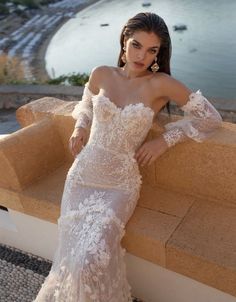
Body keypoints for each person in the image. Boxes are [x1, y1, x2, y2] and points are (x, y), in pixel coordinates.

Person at [33, 12, 223, 302]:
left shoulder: (160, 84)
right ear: (124, 41)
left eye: (152, 50)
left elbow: (211, 118)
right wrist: (81, 126)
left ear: (159, 54)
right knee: (72, 256)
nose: (142, 56)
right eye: (136, 45)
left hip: (119, 184)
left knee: (89, 261)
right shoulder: (101, 73)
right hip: (83, 174)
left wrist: (165, 140)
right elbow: (86, 99)